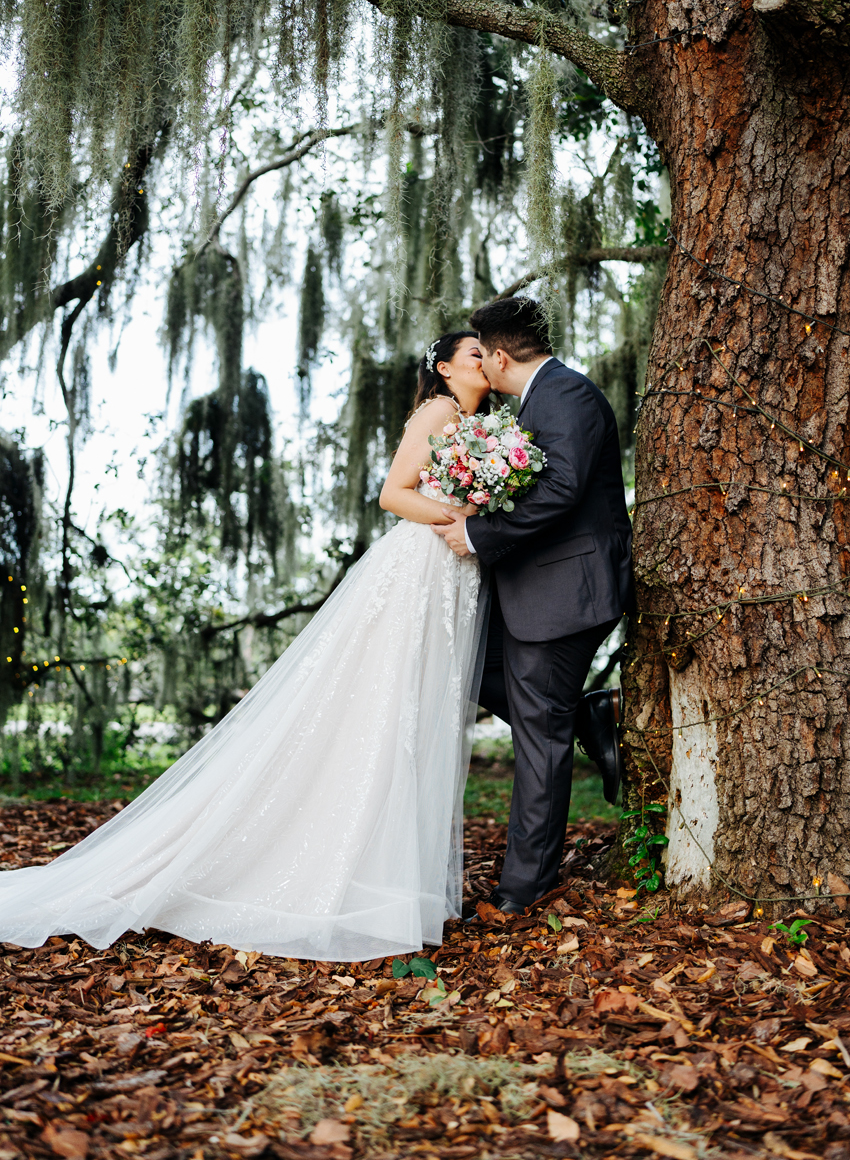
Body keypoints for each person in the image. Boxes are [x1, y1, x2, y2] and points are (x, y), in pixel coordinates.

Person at [0, 333, 491, 961]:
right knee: (381, 709)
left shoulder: (480, 424)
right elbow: (393, 494)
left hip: (453, 572)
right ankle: (338, 868)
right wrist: (460, 519)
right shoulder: (440, 412)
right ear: (445, 367)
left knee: (416, 713)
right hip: (419, 568)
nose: (483, 359)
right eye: (472, 352)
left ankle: (384, 872)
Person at [433, 298, 634, 916]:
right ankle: (589, 717)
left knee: (538, 739)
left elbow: (563, 488)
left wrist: (477, 536)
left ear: (498, 356)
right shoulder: (539, 401)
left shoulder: (565, 395)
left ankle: (523, 890)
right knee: (466, 667)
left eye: (481, 355)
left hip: (564, 591)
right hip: (533, 589)